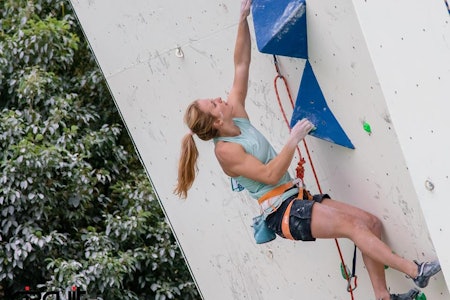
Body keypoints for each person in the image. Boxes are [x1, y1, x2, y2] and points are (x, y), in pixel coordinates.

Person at [174, 1, 441, 299]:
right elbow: (270, 173)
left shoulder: (235, 114)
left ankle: (382, 297)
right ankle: (414, 270)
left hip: (295, 197)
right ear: (215, 120)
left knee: (370, 223)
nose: (217, 98)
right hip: (282, 212)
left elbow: (241, 65)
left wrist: (241, 19)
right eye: (212, 103)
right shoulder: (225, 152)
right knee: (354, 226)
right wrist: (294, 139)